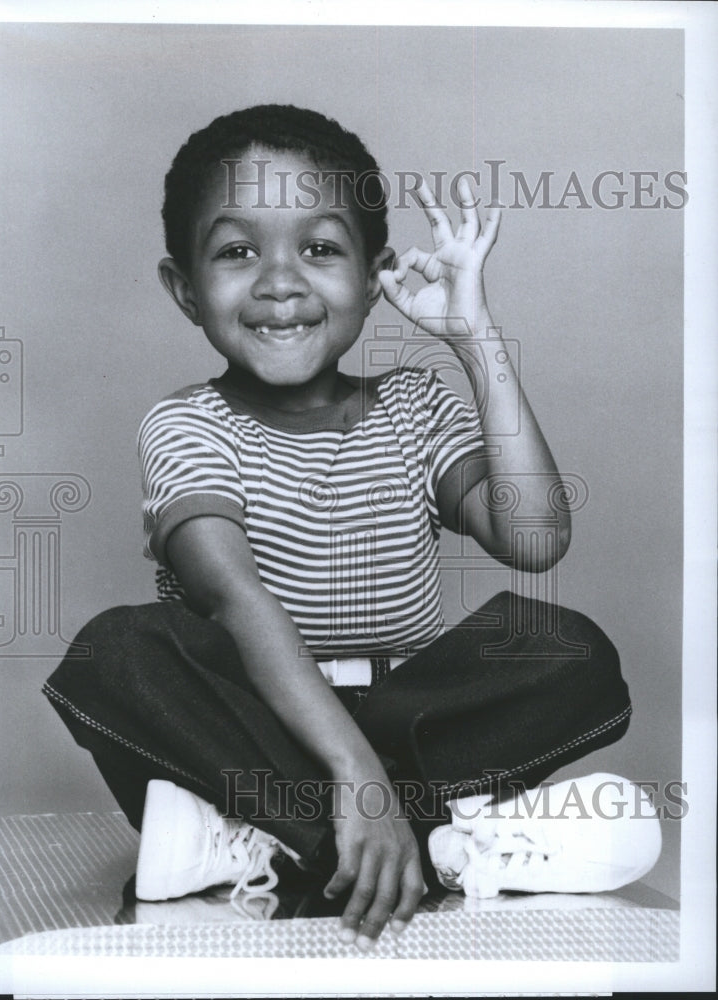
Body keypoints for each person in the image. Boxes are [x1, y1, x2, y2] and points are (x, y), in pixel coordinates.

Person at [44, 105, 661, 952]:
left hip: (409, 723)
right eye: (236, 251)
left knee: (563, 644)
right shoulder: (186, 425)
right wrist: (355, 777)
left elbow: (535, 537)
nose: (279, 282)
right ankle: (442, 844)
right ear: (184, 287)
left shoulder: (413, 407)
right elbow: (231, 596)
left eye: (320, 248)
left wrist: (475, 339)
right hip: (254, 730)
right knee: (115, 653)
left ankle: (273, 843)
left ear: (372, 278)